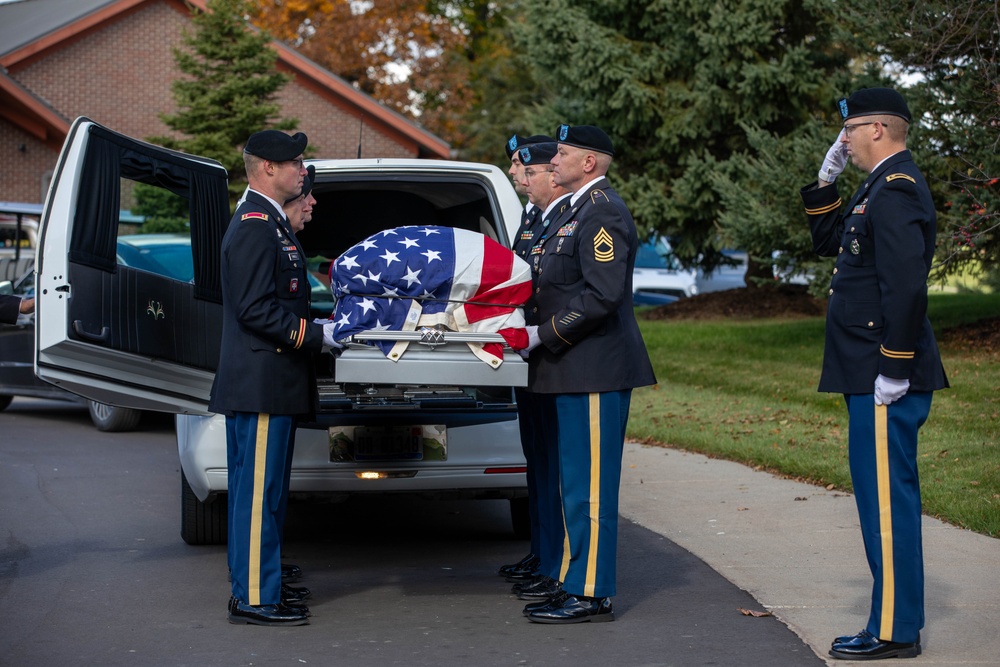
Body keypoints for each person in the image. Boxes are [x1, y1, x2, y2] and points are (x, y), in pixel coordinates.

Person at [800, 87, 948, 660]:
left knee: (887, 503)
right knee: (878, 499)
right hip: (866, 369)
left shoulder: (899, 190)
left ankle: (894, 629)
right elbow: (827, 243)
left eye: (849, 131)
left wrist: (894, 367)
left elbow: (907, 286)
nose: (845, 141)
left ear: (878, 130)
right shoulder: (877, 187)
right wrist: (824, 184)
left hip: (883, 373)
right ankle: (894, 619)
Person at [518, 124, 656, 624]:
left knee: (591, 486)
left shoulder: (602, 212)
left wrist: (544, 335)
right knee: (574, 483)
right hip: (572, 368)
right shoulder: (575, 212)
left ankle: (592, 591)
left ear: (590, 163)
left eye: (563, 153)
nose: (553, 160)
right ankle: (574, 581)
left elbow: (602, 296)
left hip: (593, 367)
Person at [210, 129, 337, 626]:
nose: (301, 171)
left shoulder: (270, 226)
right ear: (266, 167)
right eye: (295, 163)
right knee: (258, 496)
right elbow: (256, 310)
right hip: (261, 382)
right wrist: (318, 338)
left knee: (262, 494)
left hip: (269, 381)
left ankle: (261, 584)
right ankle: (255, 599)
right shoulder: (254, 226)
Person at [505, 142, 574, 604]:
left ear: (552, 173)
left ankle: (557, 562)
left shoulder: (565, 217)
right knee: (538, 461)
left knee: (555, 465)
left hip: (553, 351)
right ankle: (544, 553)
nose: (518, 175)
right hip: (532, 354)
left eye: (525, 168)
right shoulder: (535, 218)